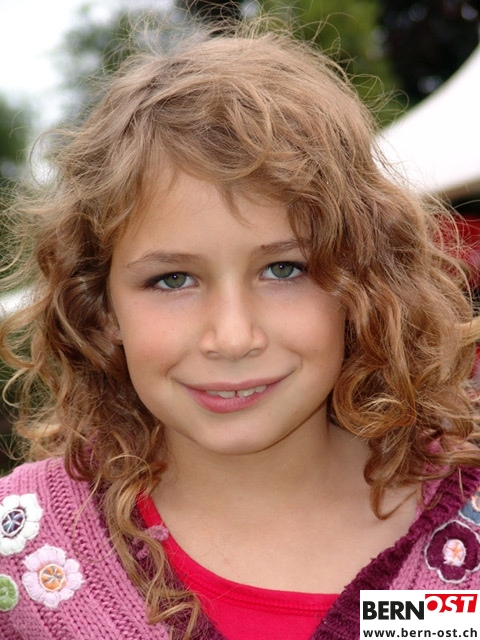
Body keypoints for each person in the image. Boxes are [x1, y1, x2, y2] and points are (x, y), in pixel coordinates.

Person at [1, 21, 480, 640]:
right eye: (173, 280)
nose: (232, 337)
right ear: (100, 307)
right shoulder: (22, 561)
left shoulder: (467, 543)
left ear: (363, 281)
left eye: (284, 270)